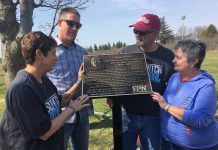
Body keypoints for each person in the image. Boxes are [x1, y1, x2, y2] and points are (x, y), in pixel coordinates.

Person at [0, 31, 90, 150]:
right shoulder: (22, 89)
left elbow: (59, 102)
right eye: (53, 53)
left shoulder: (43, 79)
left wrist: (78, 82)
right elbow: (44, 133)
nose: (56, 58)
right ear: (39, 54)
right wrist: (72, 108)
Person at [107, 14, 174, 150]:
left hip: (153, 116)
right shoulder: (126, 51)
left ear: (155, 34)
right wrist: (110, 95)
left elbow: (176, 86)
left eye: (142, 32)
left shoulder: (167, 57)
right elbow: (114, 78)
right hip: (127, 114)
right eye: (135, 31)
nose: (137, 34)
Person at [151, 39, 218, 150]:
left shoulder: (206, 86)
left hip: (197, 146)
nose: (173, 60)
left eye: (178, 57)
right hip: (168, 142)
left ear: (193, 61)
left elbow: (201, 119)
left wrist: (167, 106)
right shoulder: (174, 77)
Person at [47, 7, 93, 150]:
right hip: (59, 117)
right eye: (71, 23)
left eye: (78, 25)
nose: (74, 28)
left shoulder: (82, 51)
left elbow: (89, 79)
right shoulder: (48, 50)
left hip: (82, 114)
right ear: (59, 23)